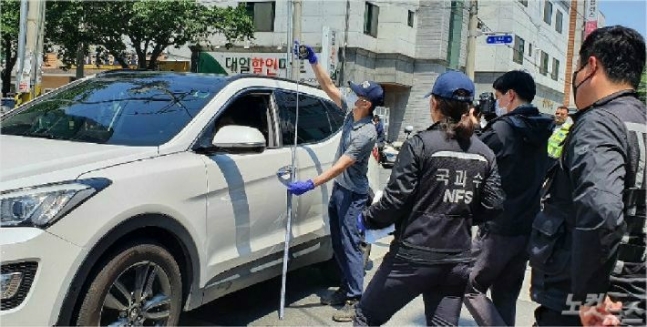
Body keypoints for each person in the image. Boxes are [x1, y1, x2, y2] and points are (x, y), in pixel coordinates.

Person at [353, 70, 505, 326]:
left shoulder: (420, 144)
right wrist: (462, 212)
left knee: (365, 316)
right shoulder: (484, 153)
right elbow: (494, 204)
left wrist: (366, 220)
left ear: (434, 103)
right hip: (456, 259)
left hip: (413, 256)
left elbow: (394, 200)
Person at [528, 25, 646, 327]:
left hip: (592, 306)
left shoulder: (598, 124)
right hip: (635, 298)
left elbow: (601, 211)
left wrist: (589, 299)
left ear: (591, 66)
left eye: (579, 66)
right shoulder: (641, 121)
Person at [284, 41, 383, 322]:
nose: (351, 95)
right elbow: (328, 86)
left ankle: (355, 299)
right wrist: (313, 60)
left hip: (353, 196)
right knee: (338, 242)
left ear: (366, 103)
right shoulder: (353, 113)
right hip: (341, 191)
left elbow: (342, 166)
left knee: (350, 244)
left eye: (358, 95)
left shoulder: (366, 134)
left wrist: (310, 184)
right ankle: (344, 287)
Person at [462, 70, 554, 326]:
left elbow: (471, 154)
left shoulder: (502, 130)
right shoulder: (541, 127)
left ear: (510, 95)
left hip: (499, 227)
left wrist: (473, 124)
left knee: (467, 284)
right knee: (505, 295)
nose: (496, 102)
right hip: (527, 226)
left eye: (497, 96)